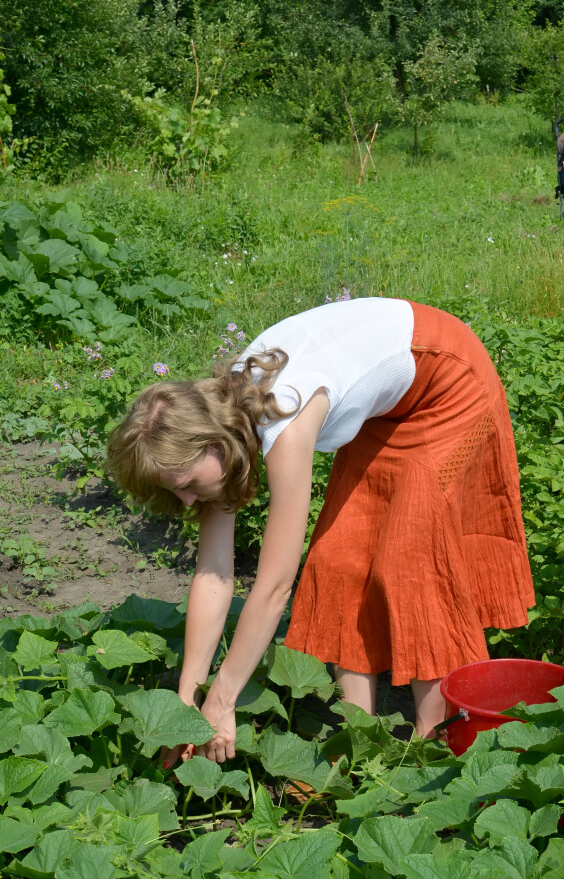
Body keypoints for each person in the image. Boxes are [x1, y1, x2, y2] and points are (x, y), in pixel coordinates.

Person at [106, 298, 534, 765]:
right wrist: (185, 706)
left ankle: (437, 745)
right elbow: (214, 575)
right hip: (388, 408)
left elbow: (272, 589)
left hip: (448, 381)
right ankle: (359, 740)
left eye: (188, 484)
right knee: (338, 558)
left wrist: (223, 699)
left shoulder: (284, 418)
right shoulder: (218, 424)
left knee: (410, 564)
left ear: (213, 444)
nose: (188, 501)